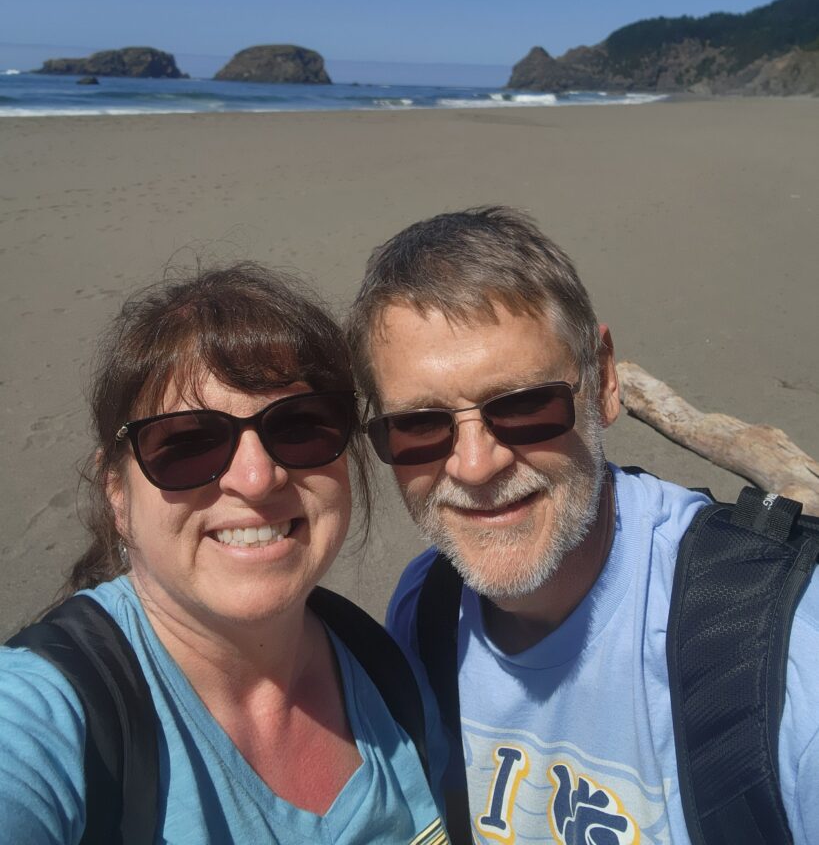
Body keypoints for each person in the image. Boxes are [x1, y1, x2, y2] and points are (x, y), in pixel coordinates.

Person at [347, 206, 819, 845]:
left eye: (523, 405)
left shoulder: (781, 648)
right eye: (420, 424)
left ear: (603, 381)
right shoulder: (426, 609)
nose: (475, 465)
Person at [0, 263, 449, 844]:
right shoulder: (50, 718)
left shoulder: (392, 676)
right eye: (188, 443)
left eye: (301, 427)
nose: (258, 478)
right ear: (117, 493)